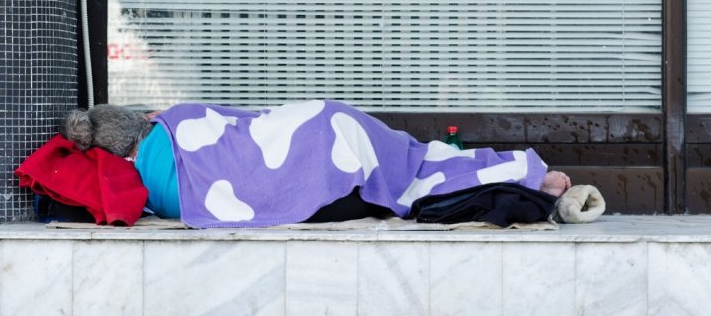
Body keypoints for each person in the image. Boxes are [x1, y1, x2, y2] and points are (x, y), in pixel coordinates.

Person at [60, 100, 571, 229]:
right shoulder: (177, 119)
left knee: (408, 176)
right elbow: (241, 121)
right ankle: (514, 170)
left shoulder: (146, 187)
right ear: (139, 121)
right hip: (320, 127)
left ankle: (515, 176)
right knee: (411, 162)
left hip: (311, 170)